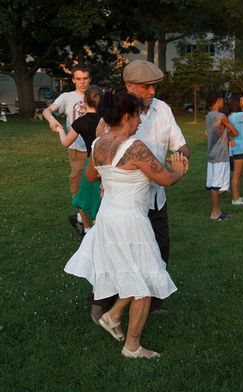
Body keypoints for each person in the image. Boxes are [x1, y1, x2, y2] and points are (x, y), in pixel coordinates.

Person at [64, 92, 186, 358]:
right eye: (138, 115)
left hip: (108, 218)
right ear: (127, 116)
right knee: (145, 281)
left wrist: (112, 179)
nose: (141, 120)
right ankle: (132, 346)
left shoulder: (97, 144)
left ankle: (113, 315)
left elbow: (91, 175)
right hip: (131, 221)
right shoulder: (135, 147)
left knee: (133, 272)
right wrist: (179, 171)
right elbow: (164, 179)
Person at [90, 60, 189, 322]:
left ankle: (151, 304)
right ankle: (104, 304)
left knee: (159, 251)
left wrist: (180, 156)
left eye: (154, 86)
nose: (152, 92)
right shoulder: (113, 117)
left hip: (155, 198)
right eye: (146, 87)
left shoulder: (163, 110)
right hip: (125, 202)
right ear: (129, 86)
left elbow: (179, 144)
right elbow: (99, 160)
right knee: (116, 255)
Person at [43, 64, 91, 234]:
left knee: (100, 189)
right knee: (78, 189)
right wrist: (51, 119)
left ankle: (82, 218)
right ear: (73, 80)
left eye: (85, 78)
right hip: (77, 151)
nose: (82, 82)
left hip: (97, 151)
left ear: (90, 79)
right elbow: (48, 110)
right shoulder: (67, 97)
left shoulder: (96, 96)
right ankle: (85, 229)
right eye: (78, 79)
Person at [56, 85, 102, 236]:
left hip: (91, 163)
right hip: (107, 163)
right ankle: (100, 228)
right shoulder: (106, 119)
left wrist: (60, 130)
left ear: (84, 100)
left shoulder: (80, 122)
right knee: (102, 196)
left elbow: (65, 142)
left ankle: (88, 228)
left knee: (85, 196)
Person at [205, 90, 238, 221]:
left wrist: (225, 132)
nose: (223, 102)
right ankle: (214, 213)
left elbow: (212, 133)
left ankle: (218, 211)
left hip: (212, 154)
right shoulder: (221, 116)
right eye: (222, 99)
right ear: (218, 100)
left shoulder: (208, 116)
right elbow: (234, 132)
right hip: (220, 155)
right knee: (216, 186)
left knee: (215, 184)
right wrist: (228, 131)